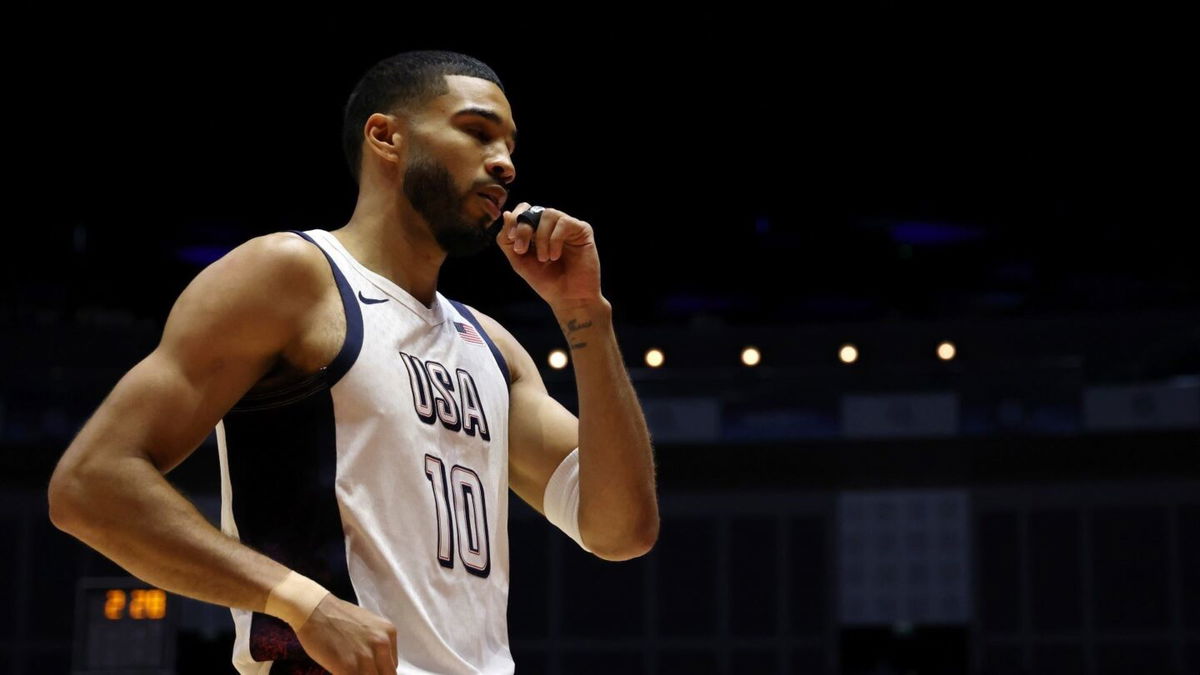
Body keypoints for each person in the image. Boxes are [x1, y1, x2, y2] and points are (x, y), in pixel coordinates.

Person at [48, 49, 660, 674]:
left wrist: (587, 312)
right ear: (386, 136)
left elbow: (621, 530)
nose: (504, 163)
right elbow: (89, 484)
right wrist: (304, 604)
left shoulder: (493, 347)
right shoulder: (292, 277)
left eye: (509, 146)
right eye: (476, 132)